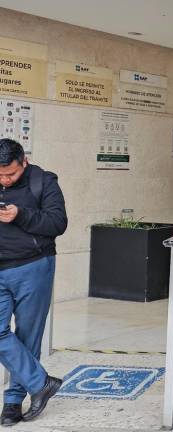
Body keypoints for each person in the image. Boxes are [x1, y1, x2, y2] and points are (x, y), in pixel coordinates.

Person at [0, 139, 67, 426]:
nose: (4, 180)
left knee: (27, 337)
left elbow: (57, 224)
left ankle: (13, 401)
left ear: (23, 162)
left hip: (33, 268)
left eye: (10, 174)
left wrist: (21, 214)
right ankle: (41, 383)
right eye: (0, 175)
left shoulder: (44, 181)